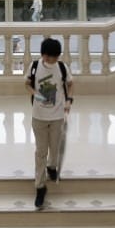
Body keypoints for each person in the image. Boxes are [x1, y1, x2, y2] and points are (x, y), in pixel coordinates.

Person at [26, 37, 74, 209]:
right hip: (38, 116)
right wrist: (35, 94)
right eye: (48, 57)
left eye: (54, 57)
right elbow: (27, 84)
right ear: (43, 55)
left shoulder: (62, 67)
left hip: (57, 116)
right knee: (40, 151)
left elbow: (70, 83)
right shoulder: (34, 66)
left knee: (55, 146)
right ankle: (40, 186)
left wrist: (68, 100)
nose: (51, 60)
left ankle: (52, 167)